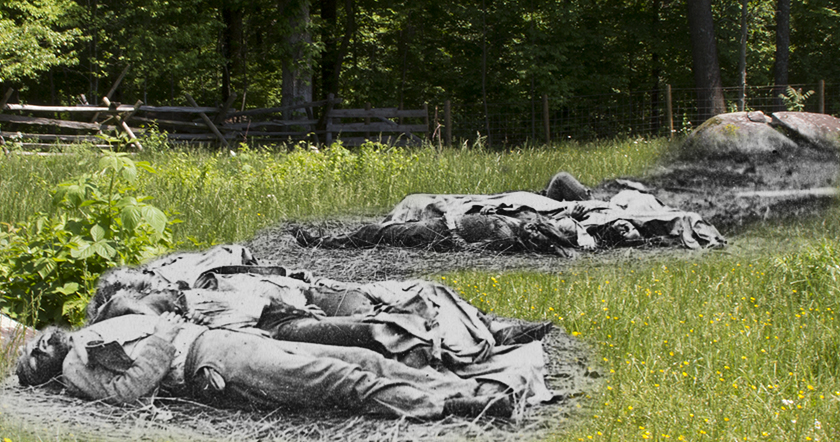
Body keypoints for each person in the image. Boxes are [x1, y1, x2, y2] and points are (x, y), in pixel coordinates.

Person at [16, 312, 521, 419]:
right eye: (35, 357)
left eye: (35, 343)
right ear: (47, 373)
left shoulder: (85, 335)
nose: (41, 345)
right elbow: (130, 390)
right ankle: (453, 404)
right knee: (337, 380)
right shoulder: (75, 368)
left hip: (224, 341)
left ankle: (455, 384)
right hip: (211, 360)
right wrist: (166, 334)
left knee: (358, 355)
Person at [293, 172, 724, 254]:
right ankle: (331, 240)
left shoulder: (577, 234)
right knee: (384, 233)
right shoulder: (586, 214)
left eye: (626, 230)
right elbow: (561, 186)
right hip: (523, 208)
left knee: (382, 234)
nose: (629, 229)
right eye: (628, 228)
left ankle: (327, 242)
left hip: (462, 227)